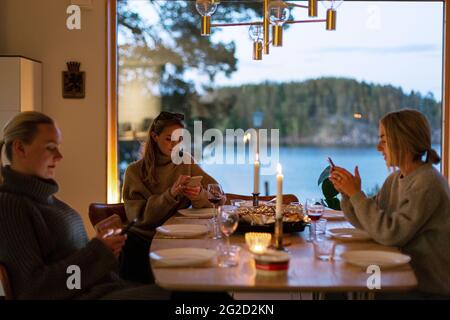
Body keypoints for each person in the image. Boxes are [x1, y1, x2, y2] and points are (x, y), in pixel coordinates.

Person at [0, 111, 169, 300]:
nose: (59, 156)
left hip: (108, 288)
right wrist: (98, 251)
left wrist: (102, 244)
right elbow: (34, 290)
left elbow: (71, 264)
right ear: (20, 148)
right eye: (50, 147)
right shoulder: (10, 205)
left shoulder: (48, 200)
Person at [329, 109, 450, 298]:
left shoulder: (428, 183)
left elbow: (391, 234)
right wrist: (348, 195)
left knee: (341, 285)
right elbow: (370, 223)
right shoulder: (395, 179)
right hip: (400, 273)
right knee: (337, 284)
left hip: (424, 287)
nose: (378, 147)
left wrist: (356, 194)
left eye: (384, 141)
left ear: (404, 141)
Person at [121, 111, 220, 284]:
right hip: (141, 245)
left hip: (178, 242)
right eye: (169, 138)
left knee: (208, 278)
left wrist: (198, 195)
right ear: (154, 136)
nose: (175, 144)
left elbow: (218, 194)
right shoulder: (134, 172)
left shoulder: (185, 162)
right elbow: (139, 219)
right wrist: (171, 194)